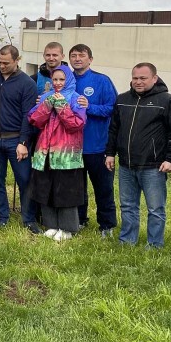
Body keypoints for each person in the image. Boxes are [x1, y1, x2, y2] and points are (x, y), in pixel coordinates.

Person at [105, 63, 171, 248]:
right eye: (135, 78)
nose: (138, 82)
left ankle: (154, 244)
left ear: (154, 78)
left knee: (156, 208)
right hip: (126, 165)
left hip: (154, 166)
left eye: (143, 78)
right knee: (127, 206)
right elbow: (114, 129)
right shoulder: (122, 99)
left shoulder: (167, 101)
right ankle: (127, 241)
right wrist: (110, 153)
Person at [0, 45, 39, 232]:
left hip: (16, 140)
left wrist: (23, 142)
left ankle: (29, 219)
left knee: (24, 180)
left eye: (6, 63)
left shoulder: (27, 84)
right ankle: (1, 216)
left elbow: (29, 115)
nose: (2, 66)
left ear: (17, 60)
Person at [28, 67, 86, 241]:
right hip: (45, 151)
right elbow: (34, 120)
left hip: (66, 154)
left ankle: (68, 228)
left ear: (68, 80)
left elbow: (77, 124)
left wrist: (61, 106)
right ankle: (51, 224)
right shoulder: (45, 97)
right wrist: (47, 104)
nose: (58, 83)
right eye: (55, 79)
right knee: (45, 189)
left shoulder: (77, 98)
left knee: (66, 191)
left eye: (61, 79)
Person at [69, 44, 118, 237]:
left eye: (81, 55)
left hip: (98, 147)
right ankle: (80, 220)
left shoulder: (102, 81)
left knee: (103, 188)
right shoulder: (66, 81)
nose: (77, 59)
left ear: (90, 59)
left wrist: (89, 107)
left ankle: (107, 225)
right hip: (73, 147)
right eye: (74, 55)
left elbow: (113, 109)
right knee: (77, 188)